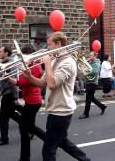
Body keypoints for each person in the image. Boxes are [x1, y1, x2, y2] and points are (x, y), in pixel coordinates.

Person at [23, 31, 90, 161]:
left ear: (58, 44)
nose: (47, 49)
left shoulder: (68, 62)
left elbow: (52, 84)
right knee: (62, 142)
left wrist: (47, 63)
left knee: (48, 151)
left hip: (61, 112)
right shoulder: (54, 59)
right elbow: (43, 83)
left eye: (49, 45)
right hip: (55, 110)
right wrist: (29, 76)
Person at [8, 45, 43, 161]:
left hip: (34, 101)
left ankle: (25, 157)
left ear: (28, 55)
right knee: (30, 128)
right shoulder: (29, 65)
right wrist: (12, 80)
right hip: (29, 100)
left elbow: (25, 81)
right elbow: (22, 82)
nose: (21, 57)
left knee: (24, 129)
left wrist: (21, 69)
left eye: (22, 55)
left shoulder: (36, 66)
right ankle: (51, 142)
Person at [0, 46, 21, 147]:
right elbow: (1, 77)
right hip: (6, 93)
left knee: (3, 118)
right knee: (11, 115)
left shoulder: (10, 63)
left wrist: (16, 97)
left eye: (0, 52)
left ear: (6, 53)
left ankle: (4, 139)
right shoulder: (4, 63)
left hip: (9, 94)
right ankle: (29, 127)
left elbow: (14, 80)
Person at [79, 51, 106, 119]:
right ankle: (102, 106)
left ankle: (86, 114)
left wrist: (86, 74)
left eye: (91, 55)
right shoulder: (90, 62)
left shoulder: (96, 63)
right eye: (89, 55)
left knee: (88, 98)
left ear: (94, 56)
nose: (89, 57)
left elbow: (95, 71)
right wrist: (83, 69)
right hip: (88, 82)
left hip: (93, 83)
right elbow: (86, 69)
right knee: (91, 98)